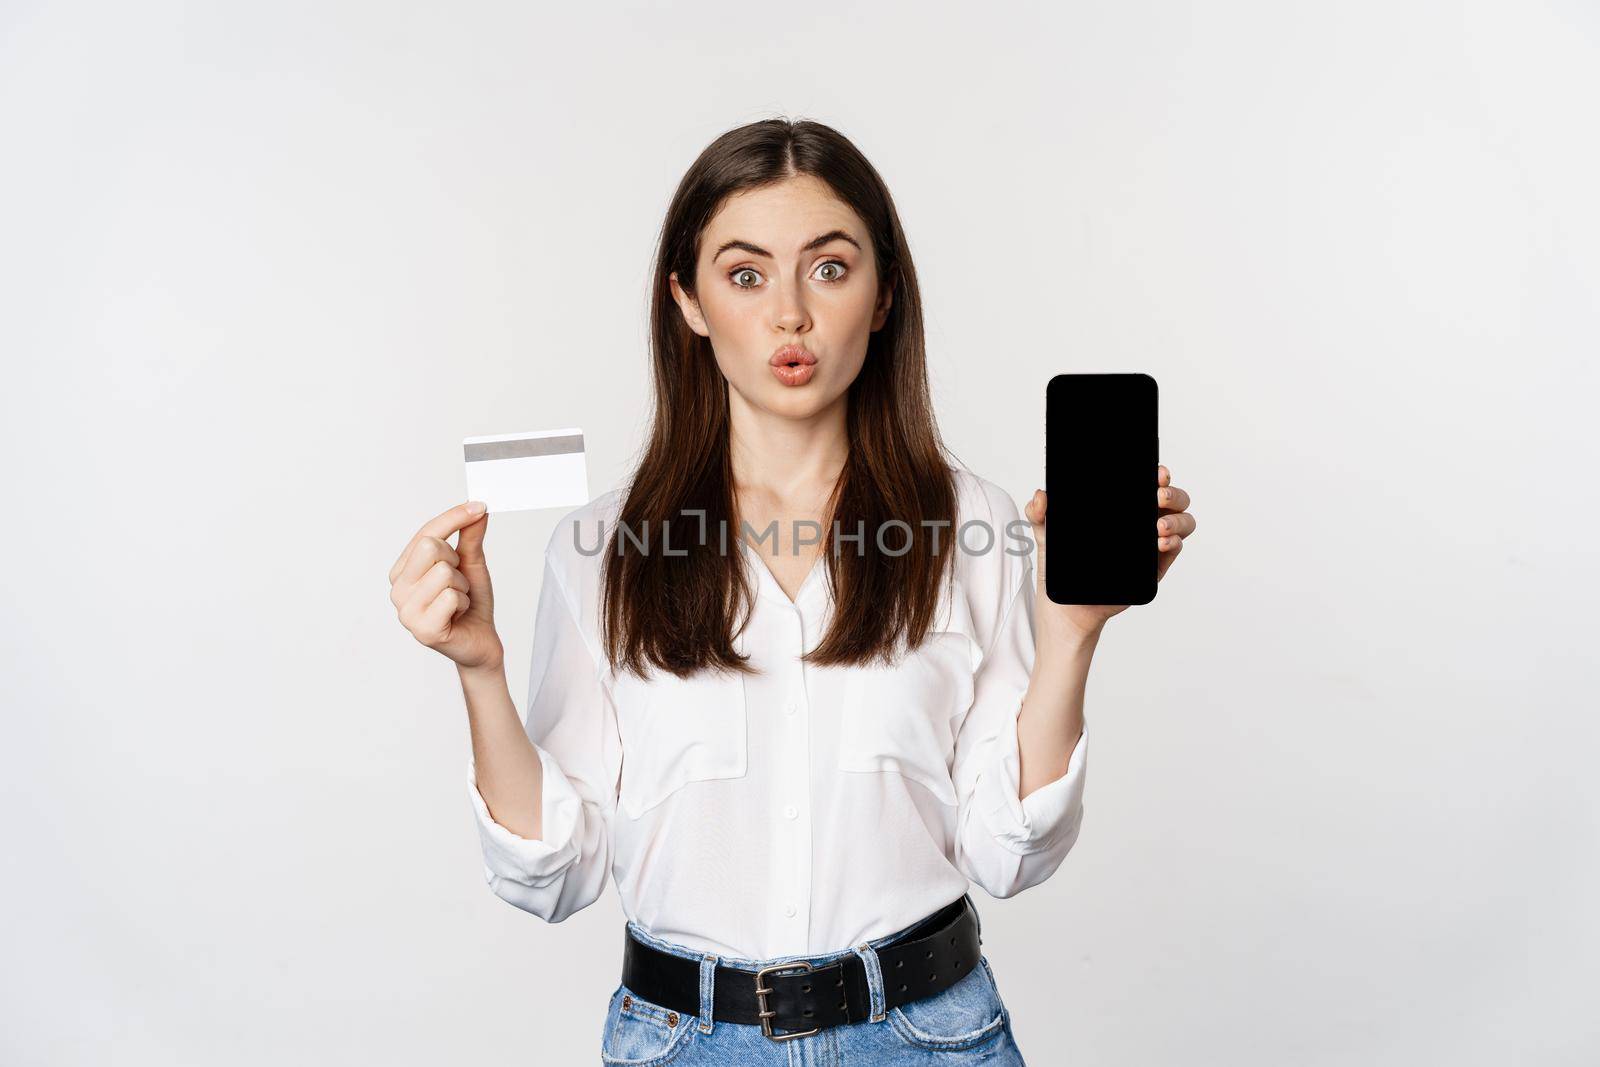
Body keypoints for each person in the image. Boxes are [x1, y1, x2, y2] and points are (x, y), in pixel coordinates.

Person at [388, 117, 1196, 1065]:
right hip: (684, 1042)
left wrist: (1071, 636)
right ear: (686, 301)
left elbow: (1009, 853)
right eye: (744, 274)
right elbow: (556, 873)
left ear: (885, 292)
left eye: (828, 267)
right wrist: (479, 669)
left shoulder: (973, 526)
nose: (789, 315)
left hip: (928, 1036)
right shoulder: (602, 547)